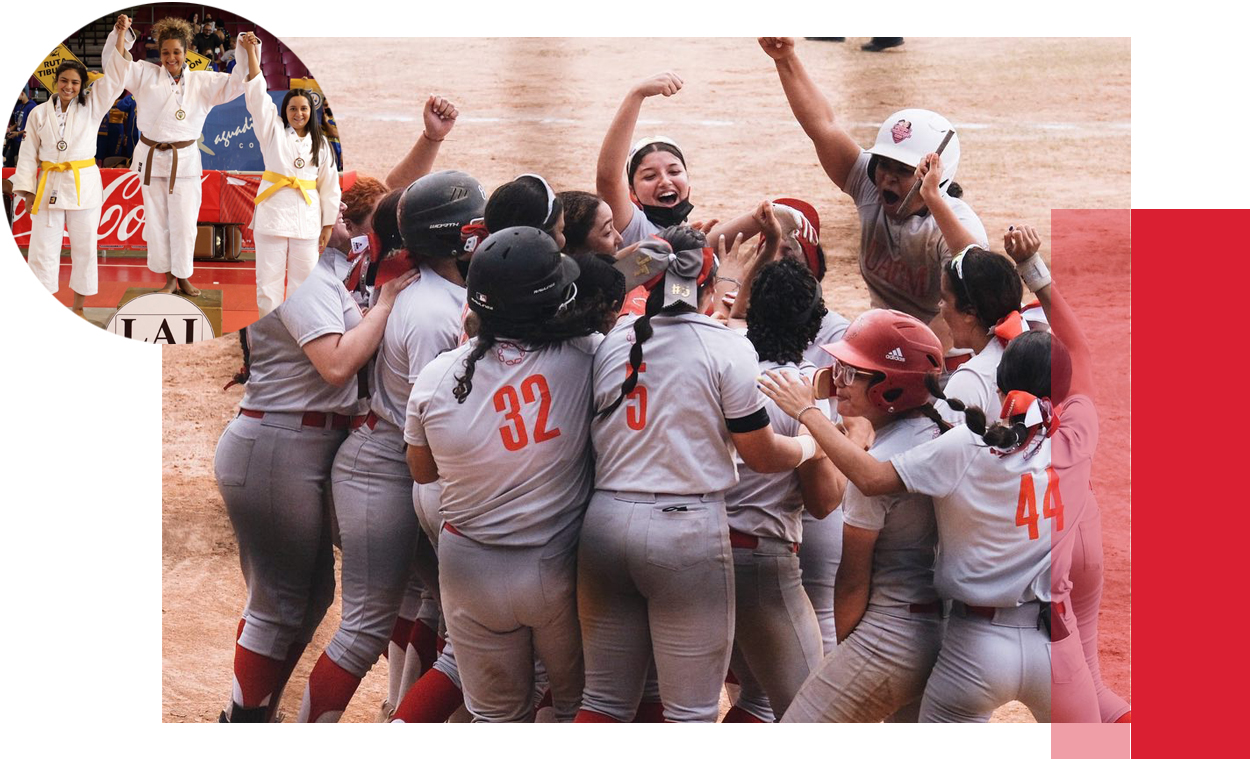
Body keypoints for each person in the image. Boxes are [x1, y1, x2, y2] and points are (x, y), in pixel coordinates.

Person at [759, 320, 1102, 723]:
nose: (840, 378)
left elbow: (870, 480)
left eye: (851, 372)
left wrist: (807, 413)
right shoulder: (1075, 437)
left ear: (998, 388)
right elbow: (1080, 370)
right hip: (1048, 639)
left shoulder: (960, 446)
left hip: (965, 644)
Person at [574, 227, 822, 723]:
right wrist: (810, 443)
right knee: (690, 713)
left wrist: (701, 277)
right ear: (707, 288)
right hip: (684, 533)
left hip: (602, 524)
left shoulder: (614, 338)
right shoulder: (727, 348)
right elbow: (761, 454)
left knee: (603, 703)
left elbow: (636, 294)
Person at [296, 170, 487, 723]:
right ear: (456, 235)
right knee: (362, 628)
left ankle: (398, 714)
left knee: (454, 616)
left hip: (404, 467)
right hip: (383, 470)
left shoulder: (440, 289)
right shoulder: (430, 311)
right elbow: (436, 419)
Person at [215, 210, 420, 724]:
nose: (345, 208)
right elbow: (335, 365)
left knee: (308, 601)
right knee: (278, 603)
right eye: (331, 200)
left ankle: (259, 718)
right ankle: (242, 725)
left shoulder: (322, 261)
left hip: (298, 442)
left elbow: (386, 199)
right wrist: (388, 303)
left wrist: (432, 140)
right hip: (277, 446)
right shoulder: (297, 274)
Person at [405, 227, 592, 722]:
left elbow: (423, 473)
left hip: (468, 567)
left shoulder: (435, 379)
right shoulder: (588, 355)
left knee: (494, 720)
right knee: (575, 709)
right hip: (557, 565)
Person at [760, 309, 948, 722]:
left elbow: (850, 582)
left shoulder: (876, 464)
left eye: (854, 372)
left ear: (890, 388)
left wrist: (847, 656)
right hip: (944, 635)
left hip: (888, 638)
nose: (839, 379)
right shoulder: (937, 434)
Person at [758, 37, 988, 345]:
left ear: (934, 176)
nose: (887, 180)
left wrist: (897, 359)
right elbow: (823, 125)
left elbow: (966, 296)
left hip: (945, 358)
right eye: (882, 164)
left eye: (903, 171)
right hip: (883, 337)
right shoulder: (868, 185)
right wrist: (785, 59)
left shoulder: (956, 227)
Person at [1001, 225, 1132, 724]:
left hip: (1034, 554)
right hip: (1086, 537)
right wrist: (1034, 267)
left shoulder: (989, 405)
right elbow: (1077, 344)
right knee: (1093, 687)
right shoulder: (1078, 406)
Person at [720, 258, 845, 722]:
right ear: (813, 325)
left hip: (696, 553)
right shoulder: (797, 388)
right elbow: (824, 500)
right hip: (761, 565)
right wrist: (847, 448)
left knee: (754, 700)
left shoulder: (724, 360)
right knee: (816, 711)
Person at [102, 15, 247, 296]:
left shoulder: (203, 82)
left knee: (185, 224)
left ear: (186, 51)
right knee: (158, 224)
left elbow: (237, 84)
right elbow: (115, 66)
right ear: (159, 52)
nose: (171, 58)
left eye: (177, 52)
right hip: (152, 159)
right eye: (166, 52)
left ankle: (184, 276)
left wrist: (244, 48)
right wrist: (120, 33)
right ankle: (169, 279)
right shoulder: (144, 74)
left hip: (185, 162)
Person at [11, 16, 129, 316]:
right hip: (48, 184)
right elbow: (28, 152)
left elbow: (115, 79)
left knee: (85, 249)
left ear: (81, 86)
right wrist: (25, 188)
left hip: (83, 185)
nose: (69, 86)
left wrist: (120, 36)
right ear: (55, 82)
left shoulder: (92, 106)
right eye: (64, 80)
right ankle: (45, 308)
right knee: (42, 250)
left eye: (75, 82)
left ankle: (78, 308)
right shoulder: (39, 114)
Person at [239, 32, 340, 317]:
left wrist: (327, 224)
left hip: (306, 220)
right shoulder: (272, 133)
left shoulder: (321, 145)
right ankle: (268, 333)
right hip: (272, 216)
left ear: (312, 112)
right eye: (293, 108)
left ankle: (300, 332)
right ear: (285, 111)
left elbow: (330, 187)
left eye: (304, 108)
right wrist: (251, 54)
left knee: (304, 285)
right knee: (267, 284)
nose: (298, 113)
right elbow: (258, 99)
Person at [595, 73, 758, 249]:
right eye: (650, 176)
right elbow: (608, 178)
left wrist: (764, 216)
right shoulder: (633, 227)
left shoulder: (689, 233)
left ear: (688, 182)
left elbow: (715, 244)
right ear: (632, 192)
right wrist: (637, 94)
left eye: (674, 172)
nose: (665, 181)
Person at [937, 243, 1027, 424]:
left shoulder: (970, 380)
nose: (940, 306)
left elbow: (933, 450)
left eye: (944, 299)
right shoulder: (1029, 333)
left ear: (970, 313)